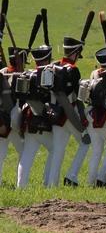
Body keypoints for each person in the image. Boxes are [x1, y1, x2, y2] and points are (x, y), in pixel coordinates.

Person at [46, 36, 90, 187]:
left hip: (55, 114)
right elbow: (77, 98)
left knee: (58, 150)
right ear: (75, 52)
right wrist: (82, 118)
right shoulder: (73, 70)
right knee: (86, 143)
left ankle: (52, 185)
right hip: (70, 114)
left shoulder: (53, 65)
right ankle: (71, 176)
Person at [16, 44, 54, 188]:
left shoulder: (27, 74)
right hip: (43, 121)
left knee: (27, 155)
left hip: (28, 121)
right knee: (55, 150)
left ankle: (21, 186)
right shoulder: (46, 75)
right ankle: (47, 183)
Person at [84, 45, 106, 187]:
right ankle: (102, 178)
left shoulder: (94, 73)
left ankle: (91, 181)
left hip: (92, 115)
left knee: (96, 151)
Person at [0, 47, 28, 183]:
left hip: (5, 119)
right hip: (10, 119)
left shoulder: (4, 72)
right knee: (23, 152)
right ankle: (21, 183)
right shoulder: (19, 75)